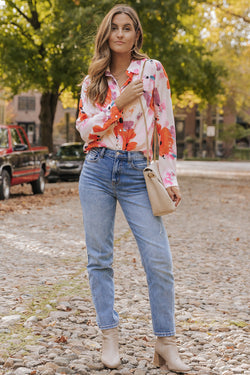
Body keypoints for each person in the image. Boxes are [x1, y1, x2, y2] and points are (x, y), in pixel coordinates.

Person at [76, 4, 190, 373]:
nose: (121, 34)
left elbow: (166, 125)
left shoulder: (152, 70)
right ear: (106, 34)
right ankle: (109, 336)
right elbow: (85, 131)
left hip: (137, 172)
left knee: (159, 260)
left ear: (137, 34)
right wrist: (117, 104)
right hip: (96, 169)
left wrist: (169, 177)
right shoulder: (92, 79)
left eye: (128, 28)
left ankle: (166, 342)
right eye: (115, 28)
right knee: (99, 259)